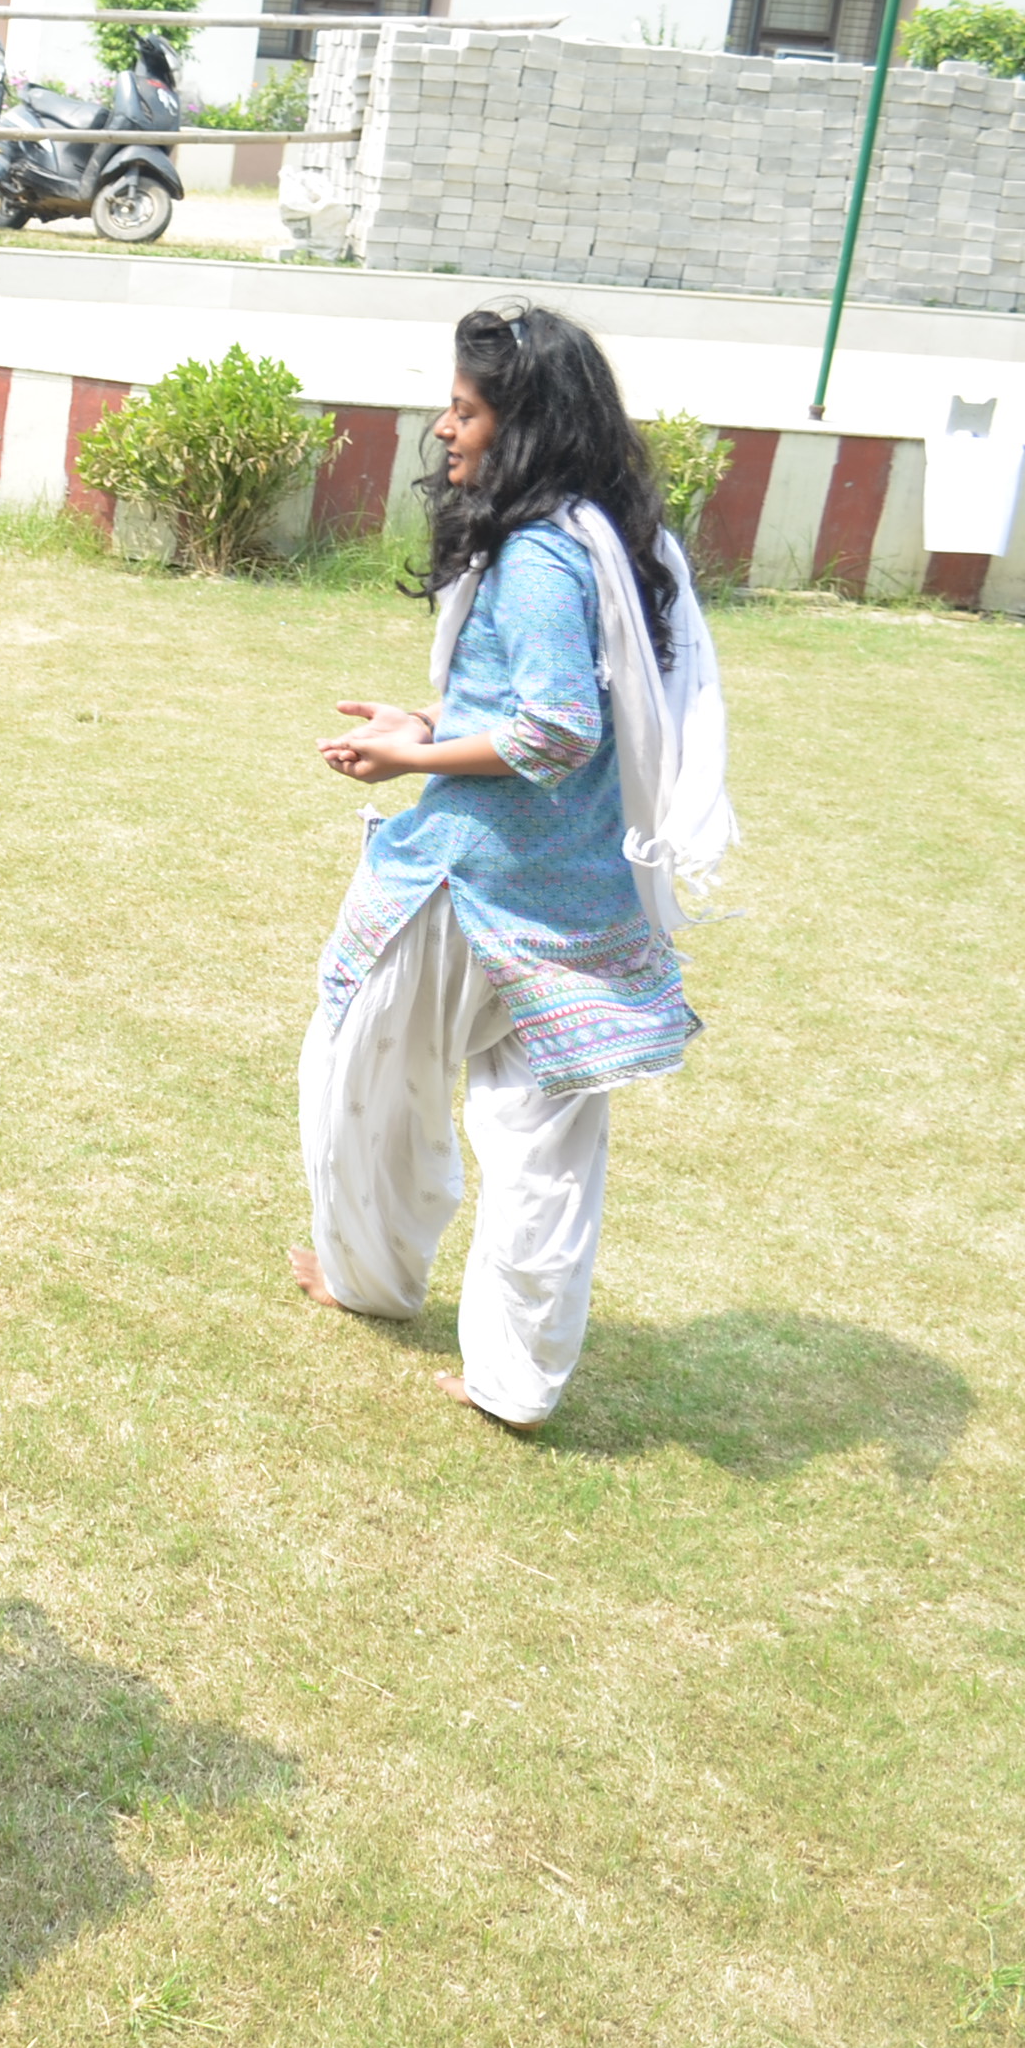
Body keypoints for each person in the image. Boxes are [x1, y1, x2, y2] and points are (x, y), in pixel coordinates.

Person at [293, 303, 735, 1431]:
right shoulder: (609, 537)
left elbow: (555, 733)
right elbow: (562, 708)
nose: (446, 430)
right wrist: (429, 720)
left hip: (472, 884)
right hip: (577, 893)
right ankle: (517, 1379)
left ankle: (370, 1277)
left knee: (361, 1076)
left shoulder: (538, 554)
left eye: (467, 410)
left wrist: (412, 758)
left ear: (525, 425)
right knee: (548, 1150)